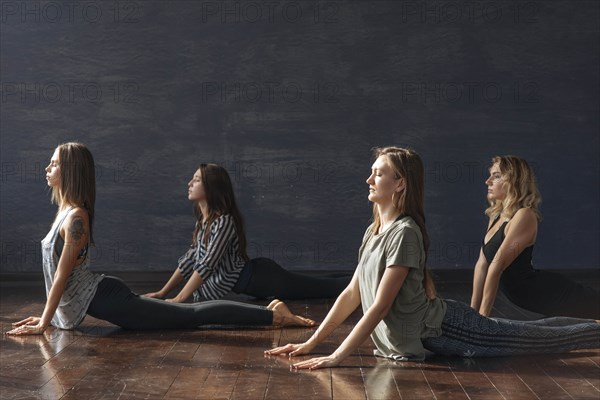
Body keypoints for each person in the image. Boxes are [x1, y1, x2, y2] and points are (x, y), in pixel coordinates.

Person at [265, 147, 599, 369]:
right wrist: (311, 343)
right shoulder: (374, 231)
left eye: (378, 173)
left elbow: (381, 306)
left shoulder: (405, 233)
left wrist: (337, 356)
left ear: (400, 184)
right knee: (541, 331)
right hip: (441, 329)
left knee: (550, 338)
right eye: (372, 172)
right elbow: (352, 293)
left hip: (453, 328)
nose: (369, 180)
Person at [7, 143, 314, 336]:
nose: (48, 168)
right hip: (101, 298)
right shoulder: (65, 212)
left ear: (70, 171)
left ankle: (274, 316)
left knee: (190, 316)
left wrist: (45, 322)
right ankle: (273, 313)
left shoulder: (76, 218)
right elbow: (59, 277)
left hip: (108, 299)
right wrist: (49, 315)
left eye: (54, 163)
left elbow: (62, 275)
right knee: (186, 314)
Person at [143, 163, 351, 303]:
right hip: (258, 279)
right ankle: (358, 277)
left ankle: (370, 280)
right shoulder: (204, 222)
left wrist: (178, 299)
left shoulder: (223, 222)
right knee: (317, 283)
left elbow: (207, 264)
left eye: (196, 180)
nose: (189, 183)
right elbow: (190, 259)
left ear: (212, 187)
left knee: (322, 288)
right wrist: (163, 293)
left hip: (265, 278)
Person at [470, 156, 600, 319]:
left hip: (551, 294)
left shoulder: (524, 215)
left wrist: (481, 319)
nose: (488, 181)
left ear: (514, 181)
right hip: (529, 296)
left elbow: (496, 266)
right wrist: (471, 313)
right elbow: (482, 265)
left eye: (496, 176)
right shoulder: (496, 215)